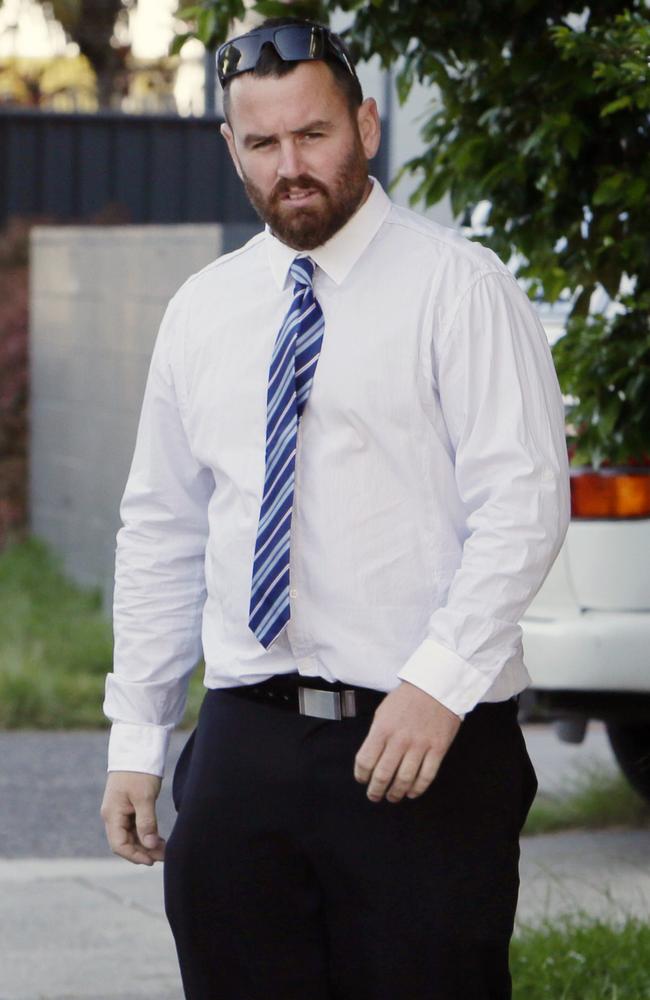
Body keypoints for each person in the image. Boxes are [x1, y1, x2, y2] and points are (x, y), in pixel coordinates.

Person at [100, 16, 570, 1000]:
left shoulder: (459, 289)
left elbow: (521, 503)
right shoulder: (204, 310)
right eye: (262, 144)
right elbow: (161, 531)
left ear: (363, 123)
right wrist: (138, 740)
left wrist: (437, 683)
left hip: (420, 741)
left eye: (311, 135)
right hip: (243, 738)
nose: (290, 167)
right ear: (231, 148)